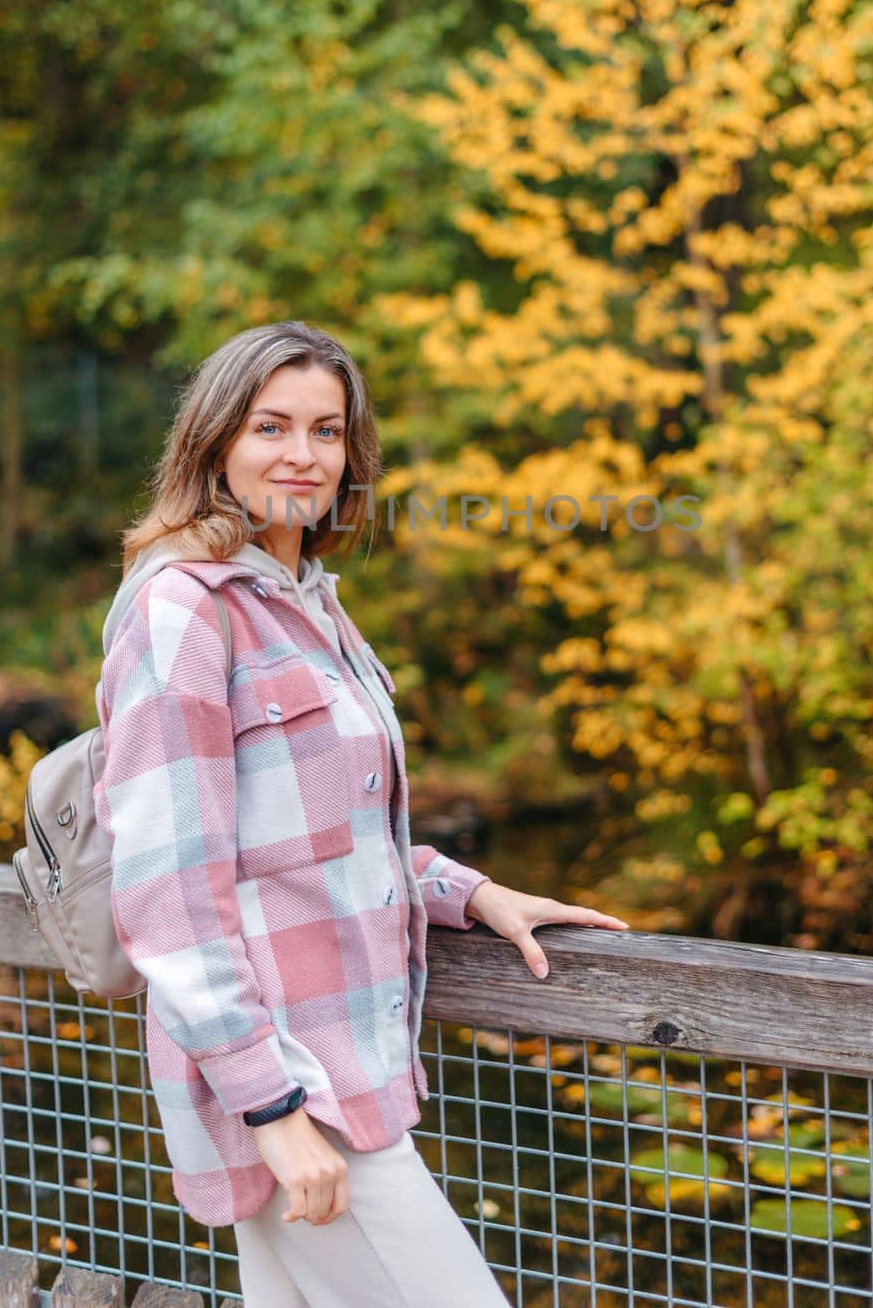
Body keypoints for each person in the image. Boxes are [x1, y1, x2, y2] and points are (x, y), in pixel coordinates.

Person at [94, 321, 629, 1307]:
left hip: (353, 1070)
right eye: (271, 425)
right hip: (294, 1088)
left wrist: (467, 891)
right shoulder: (182, 608)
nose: (302, 453)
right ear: (215, 443)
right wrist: (272, 1106)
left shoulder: (310, 601)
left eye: (327, 431)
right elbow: (167, 889)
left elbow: (324, 834)